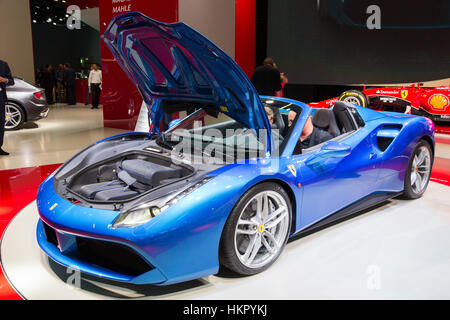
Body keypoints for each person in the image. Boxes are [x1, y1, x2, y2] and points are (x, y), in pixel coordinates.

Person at [0, 59, 15, 156]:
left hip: (0, 97)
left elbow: (11, 81)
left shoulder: (3, 64)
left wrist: (4, 80)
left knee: (1, 123)